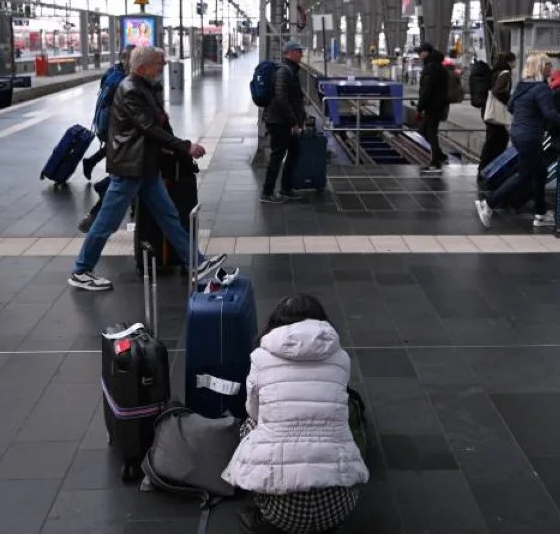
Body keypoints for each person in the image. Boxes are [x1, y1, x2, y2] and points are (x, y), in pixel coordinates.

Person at [70, 46, 226, 291]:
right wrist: (185, 147)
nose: (163, 67)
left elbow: (158, 126)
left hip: (144, 167)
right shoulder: (131, 89)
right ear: (142, 67)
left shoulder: (144, 86)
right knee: (106, 223)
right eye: (158, 63)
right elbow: (149, 128)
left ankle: (196, 262)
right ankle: (81, 270)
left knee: (169, 217)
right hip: (130, 168)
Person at [223, 294, 369, 534]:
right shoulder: (341, 358)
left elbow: (254, 411)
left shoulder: (260, 358)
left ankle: (262, 516)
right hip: (339, 507)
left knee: (251, 425)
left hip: (281, 513)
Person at [474, 53, 560, 229]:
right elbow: (550, 113)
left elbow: (511, 105)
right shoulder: (542, 88)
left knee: (540, 173)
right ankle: (488, 204)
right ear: (541, 67)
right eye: (548, 64)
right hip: (530, 135)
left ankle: (540, 214)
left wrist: (526, 116)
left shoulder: (522, 85)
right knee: (524, 175)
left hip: (519, 132)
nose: (551, 66)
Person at [261, 41, 305, 204]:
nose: (301, 54)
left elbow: (294, 99)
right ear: (290, 53)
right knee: (277, 155)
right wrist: (293, 121)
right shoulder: (283, 71)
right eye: (299, 51)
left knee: (294, 152)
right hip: (279, 121)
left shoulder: (291, 70)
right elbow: (281, 98)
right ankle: (267, 192)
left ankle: (286, 189)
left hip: (286, 120)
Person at [82, 48, 132, 181]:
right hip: (110, 119)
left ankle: (91, 163)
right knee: (117, 147)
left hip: (103, 116)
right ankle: (107, 184)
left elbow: (102, 87)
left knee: (113, 146)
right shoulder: (123, 79)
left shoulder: (113, 71)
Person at [414, 42, 449, 174]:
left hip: (433, 106)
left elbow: (426, 90)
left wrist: (419, 107)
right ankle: (440, 155)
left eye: (420, 52)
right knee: (424, 130)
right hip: (438, 105)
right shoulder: (438, 66)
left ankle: (436, 161)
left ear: (427, 52)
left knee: (430, 132)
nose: (419, 55)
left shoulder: (430, 68)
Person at [476, 52, 514, 175]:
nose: (515, 63)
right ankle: (489, 168)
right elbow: (498, 91)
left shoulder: (495, 71)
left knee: (492, 141)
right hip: (498, 113)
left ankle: (485, 167)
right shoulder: (505, 73)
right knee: (498, 142)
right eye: (514, 60)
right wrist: (509, 102)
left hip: (490, 111)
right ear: (509, 61)